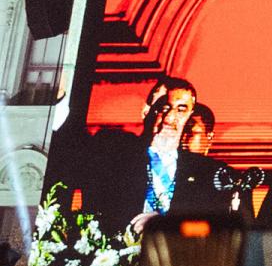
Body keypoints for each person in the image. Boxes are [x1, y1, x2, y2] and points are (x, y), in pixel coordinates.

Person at [55, 75, 228, 231]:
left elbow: (215, 229)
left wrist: (165, 224)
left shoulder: (207, 172)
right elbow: (68, 153)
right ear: (146, 110)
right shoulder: (111, 149)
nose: (169, 118)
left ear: (190, 116)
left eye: (181, 110)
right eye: (162, 107)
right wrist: (58, 98)